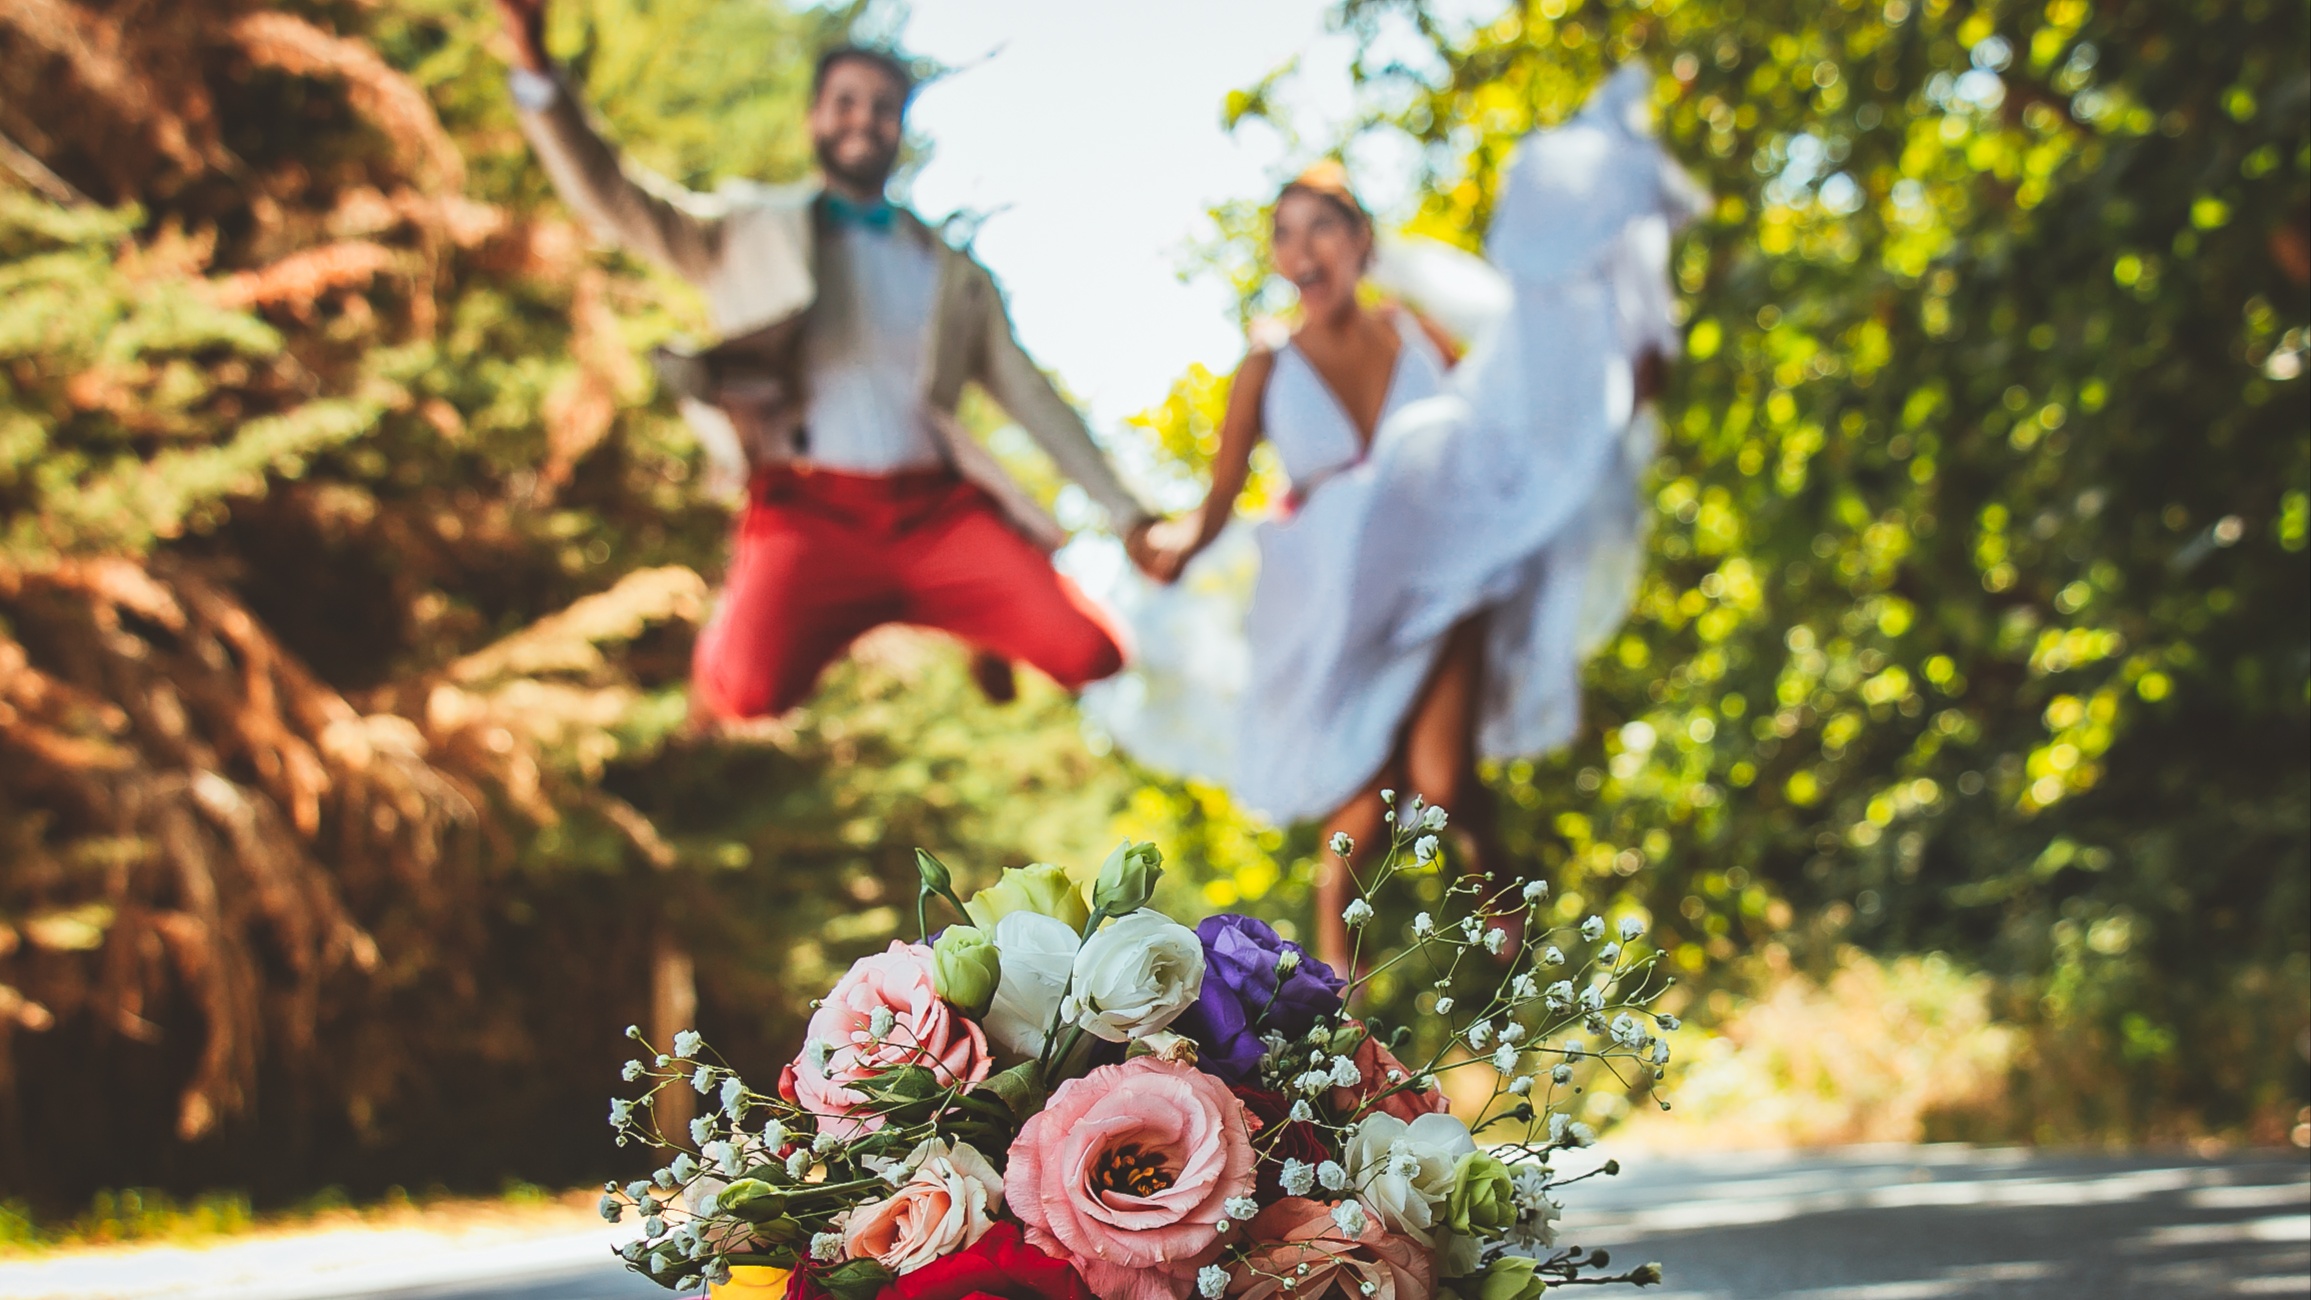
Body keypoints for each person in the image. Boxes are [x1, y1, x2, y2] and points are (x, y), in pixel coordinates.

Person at [1115, 66, 1706, 974]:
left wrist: (1610, 383)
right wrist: (1171, 545)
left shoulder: (1412, 331)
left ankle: (1500, 896)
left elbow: (1507, 406)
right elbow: (1219, 498)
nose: (1302, 248)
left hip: (1443, 563)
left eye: (1321, 227)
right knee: (1353, 829)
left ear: (1360, 240)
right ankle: (1339, 1018)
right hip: (1340, 597)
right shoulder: (1266, 363)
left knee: (1442, 778)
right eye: (1284, 234)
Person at [493, 1, 1160, 720]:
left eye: (883, 108)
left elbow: (1031, 396)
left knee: (1094, 654)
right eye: (846, 102)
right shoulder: (746, 230)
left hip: (937, 512)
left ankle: (979, 619)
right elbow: (615, 198)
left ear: (900, 128)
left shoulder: (950, 272)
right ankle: (747, 619)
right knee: (747, 693)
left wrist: (1130, 516)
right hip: (809, 513)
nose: (863, 119)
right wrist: (536, 68)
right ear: (814, 117)